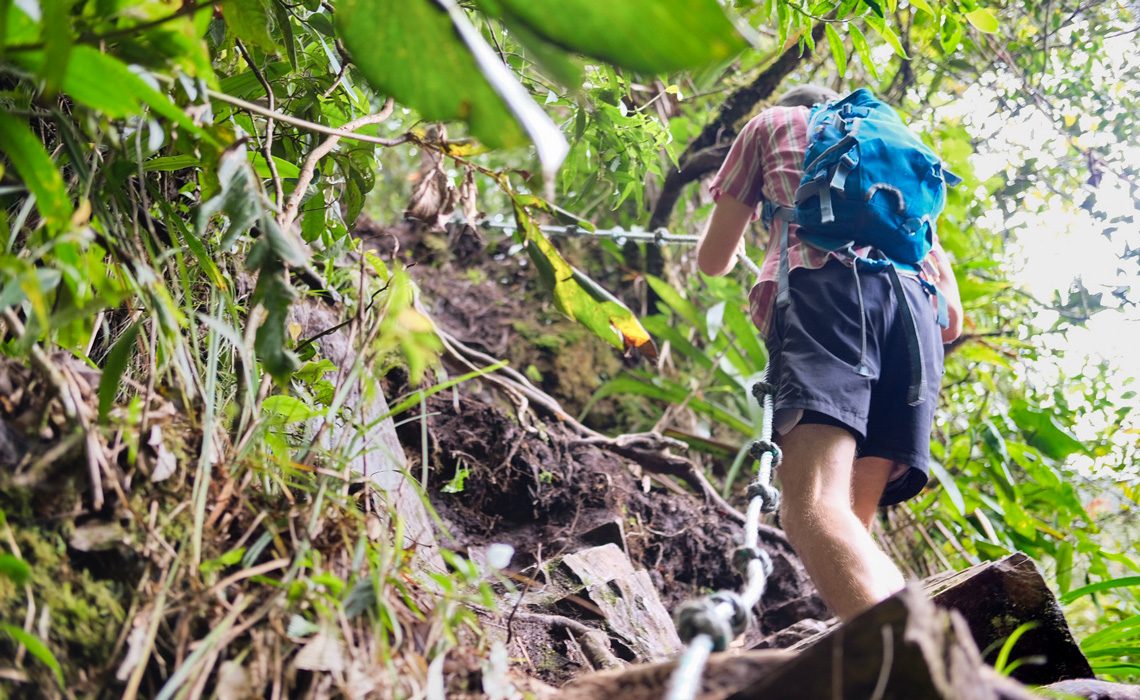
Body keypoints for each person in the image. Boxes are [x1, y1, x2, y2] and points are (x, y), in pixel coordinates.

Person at [696, 85, 964, 621]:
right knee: (849, 522)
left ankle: (923, 667)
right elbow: (953, 321)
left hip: (827, 301)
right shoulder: (899, 155)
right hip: (914, 322)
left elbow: (711, 261)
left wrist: (770, 228)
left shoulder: (769, 125)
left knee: (812, 507)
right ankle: (910, 649)